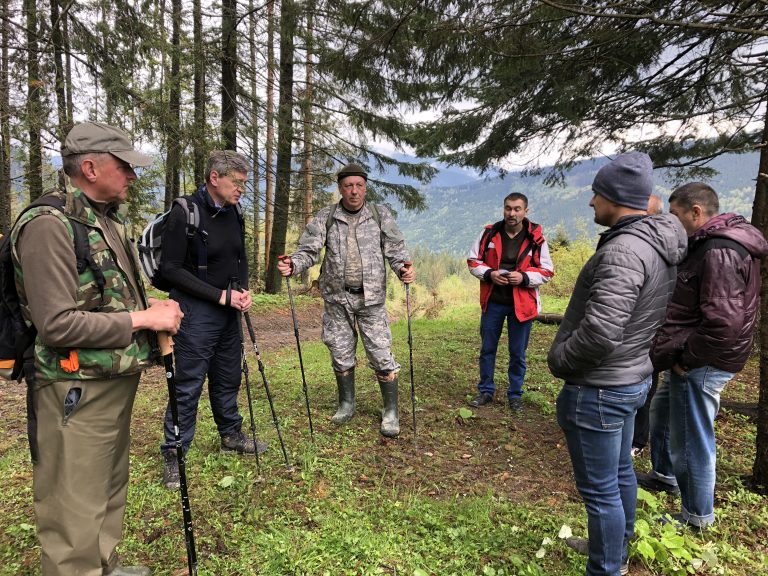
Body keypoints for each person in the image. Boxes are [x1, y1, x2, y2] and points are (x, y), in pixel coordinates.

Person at [10, 121, 184, 575]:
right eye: (124, 166)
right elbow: (56, 324)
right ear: (90, 167)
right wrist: (144, 319)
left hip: (108, 377)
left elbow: (110, 296)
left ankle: (104, 564)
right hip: (72, 385)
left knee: (107, 484)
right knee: (73, 499)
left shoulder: (103, 219)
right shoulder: (49, 226)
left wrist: (153, 312)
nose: (132, 176)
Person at [547, 152, 687, 576]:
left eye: (597, 194)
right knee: (621, 470)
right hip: (631, 377)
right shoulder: (652, 242)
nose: (591, 202)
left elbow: (601, 331)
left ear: (616, 198)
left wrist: (560, 360)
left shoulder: (625, 250)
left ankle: (607, 568)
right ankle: (617, 544)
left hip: (601, 387)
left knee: (600, 489)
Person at [637, 182, 768, 530]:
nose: (672, 221)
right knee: (662, 409)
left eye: (676, 214)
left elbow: (723, 321)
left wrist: (688, 359)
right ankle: (664, 474)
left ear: (696, 212)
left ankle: (695, 518)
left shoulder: (718, 251)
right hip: (695, 353)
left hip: (703, 360)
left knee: (691, 438)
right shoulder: (709, 245)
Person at [277, 162, 415, 437]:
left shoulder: (379, 215)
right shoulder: (326, 217)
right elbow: (309, 250)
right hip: (337, 300)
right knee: (340, 353)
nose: (354, 191)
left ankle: (390, 410)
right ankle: (347, 403)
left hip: (371, 300)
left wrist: (403, 269)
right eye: (348, 186)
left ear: (365, 188)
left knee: (381, 353)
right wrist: (293, 265)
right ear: (340, 188)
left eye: (359, 185)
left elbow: (396, 250)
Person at [158, 150, 264, 491]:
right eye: (237, 183)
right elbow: (170, 269)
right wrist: (220, 296)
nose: (242, 190)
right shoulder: (184, 212)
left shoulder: (234, 212)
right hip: (193, 311)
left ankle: (231, 434)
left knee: (228, 376)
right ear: (214, 178)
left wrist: (242, 290)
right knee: (188, 383)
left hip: (228, 310)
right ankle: (174, 451)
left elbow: (239, 257)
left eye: (245, 184)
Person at [466, 192, 554, 412]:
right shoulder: (489, 233)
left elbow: (547, 270)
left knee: (517, 353)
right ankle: (486, 391)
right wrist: (489, 274)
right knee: (487, 349)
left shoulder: (536, 238)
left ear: (525, 211)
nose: (511, 213)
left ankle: (515, 395)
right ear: (503, 209)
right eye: (508, 208)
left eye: (517, 209)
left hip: (522, 305)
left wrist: (524, 278)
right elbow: (473, 260)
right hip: (493, 302)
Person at [630, 194, 664, 457]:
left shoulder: (663, 247)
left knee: (646, 383)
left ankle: (637, 440)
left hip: (652, 330)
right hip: (632, 328)